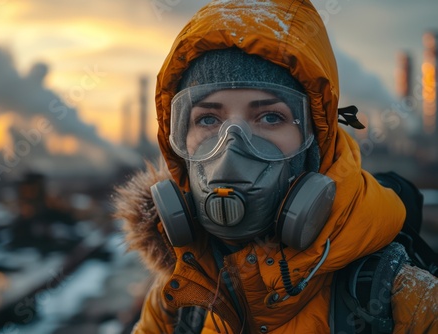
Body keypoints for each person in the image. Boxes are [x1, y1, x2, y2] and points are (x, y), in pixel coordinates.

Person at [113, 0, 437, 333]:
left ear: (315, 140)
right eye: (208, 119)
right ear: (179, 143)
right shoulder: (178, 300)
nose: (230, 150)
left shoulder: (403, 302)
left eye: (270, 117)